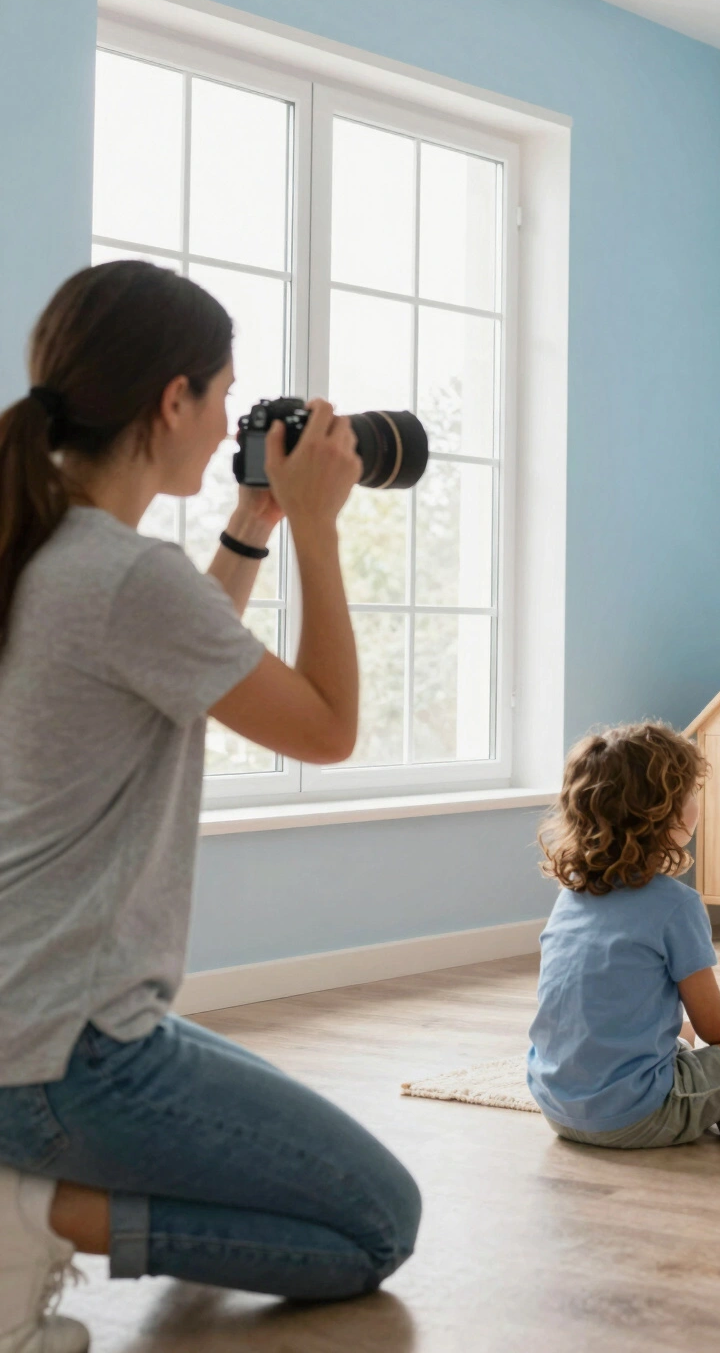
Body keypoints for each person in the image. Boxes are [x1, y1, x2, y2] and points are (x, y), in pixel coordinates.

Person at [0, 261, 420, 1352]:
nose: (234, 419)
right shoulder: (125, 577)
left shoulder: (43, 549)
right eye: (225, 393)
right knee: (373, 1226)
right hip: (65, 1050)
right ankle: (28, 1213)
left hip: (30, 1021)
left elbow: (182, 660)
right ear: (172, 402)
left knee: (303, 1168)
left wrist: (252, 525)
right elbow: (326, 731)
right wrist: (322, 532)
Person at [526, 721, 720, 1148]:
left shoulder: (572, 892)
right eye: (690, 793)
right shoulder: (675, 905)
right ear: (663, 814)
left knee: (679, 1032)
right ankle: (719, 1113)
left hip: (558, 1109)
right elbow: (717, 1025)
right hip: (637, 1115)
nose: (697, 802)